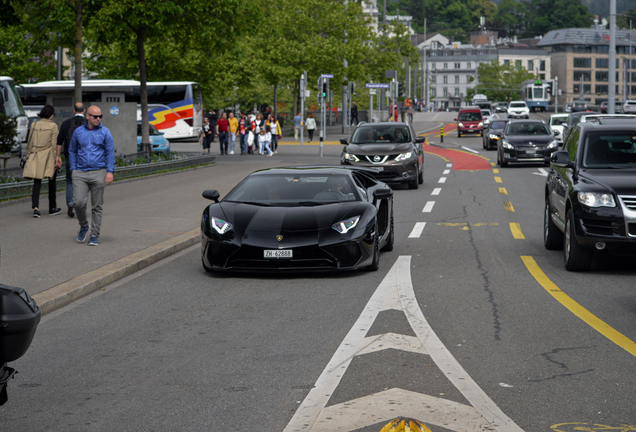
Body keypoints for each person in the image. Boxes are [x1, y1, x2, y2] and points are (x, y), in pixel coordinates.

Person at [68, 106, 115, 246]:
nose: (98, 119)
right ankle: (84, 226)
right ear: (87, 116)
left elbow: (110, 153)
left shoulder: (105, 132)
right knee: (78, 203)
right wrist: (73, 169)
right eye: (95, 116)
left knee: (97, 206)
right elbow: (72, 151)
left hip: (99, 171)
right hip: (80, 173)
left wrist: (109, 172)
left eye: (100, 116)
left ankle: (94, 234)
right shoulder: (78, 132)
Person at [23, 104, 60, 218]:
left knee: (37, 182)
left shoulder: (34, 124)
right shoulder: (54, 126)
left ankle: (35, 207)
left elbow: (30, 142)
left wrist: (28, 155)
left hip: (35, 154)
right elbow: (54, 144)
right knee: (51, 181)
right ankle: (52, 207)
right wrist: (56, 159)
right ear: (51, 115)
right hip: (48, 155)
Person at [55, 102, 85, 217]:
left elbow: (59, 141)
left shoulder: (66, 123)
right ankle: (81, 205)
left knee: (70, 181)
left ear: (74, 111)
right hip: (84, 157)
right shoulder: (88, 123)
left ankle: (70, 204)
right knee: (84, 181)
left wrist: (58, 156)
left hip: (69, 156)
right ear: (84, 111)